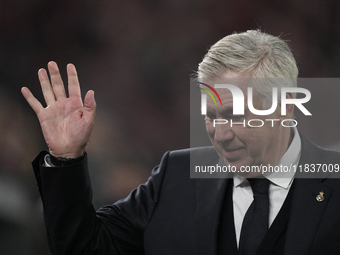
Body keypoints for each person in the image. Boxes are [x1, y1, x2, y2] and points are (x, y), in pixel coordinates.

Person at [21, 30, 340, 255]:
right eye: (211, 116)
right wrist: (66, 158)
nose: (221, 133)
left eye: (236, 115)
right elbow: (85, 247)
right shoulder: (177, 175)